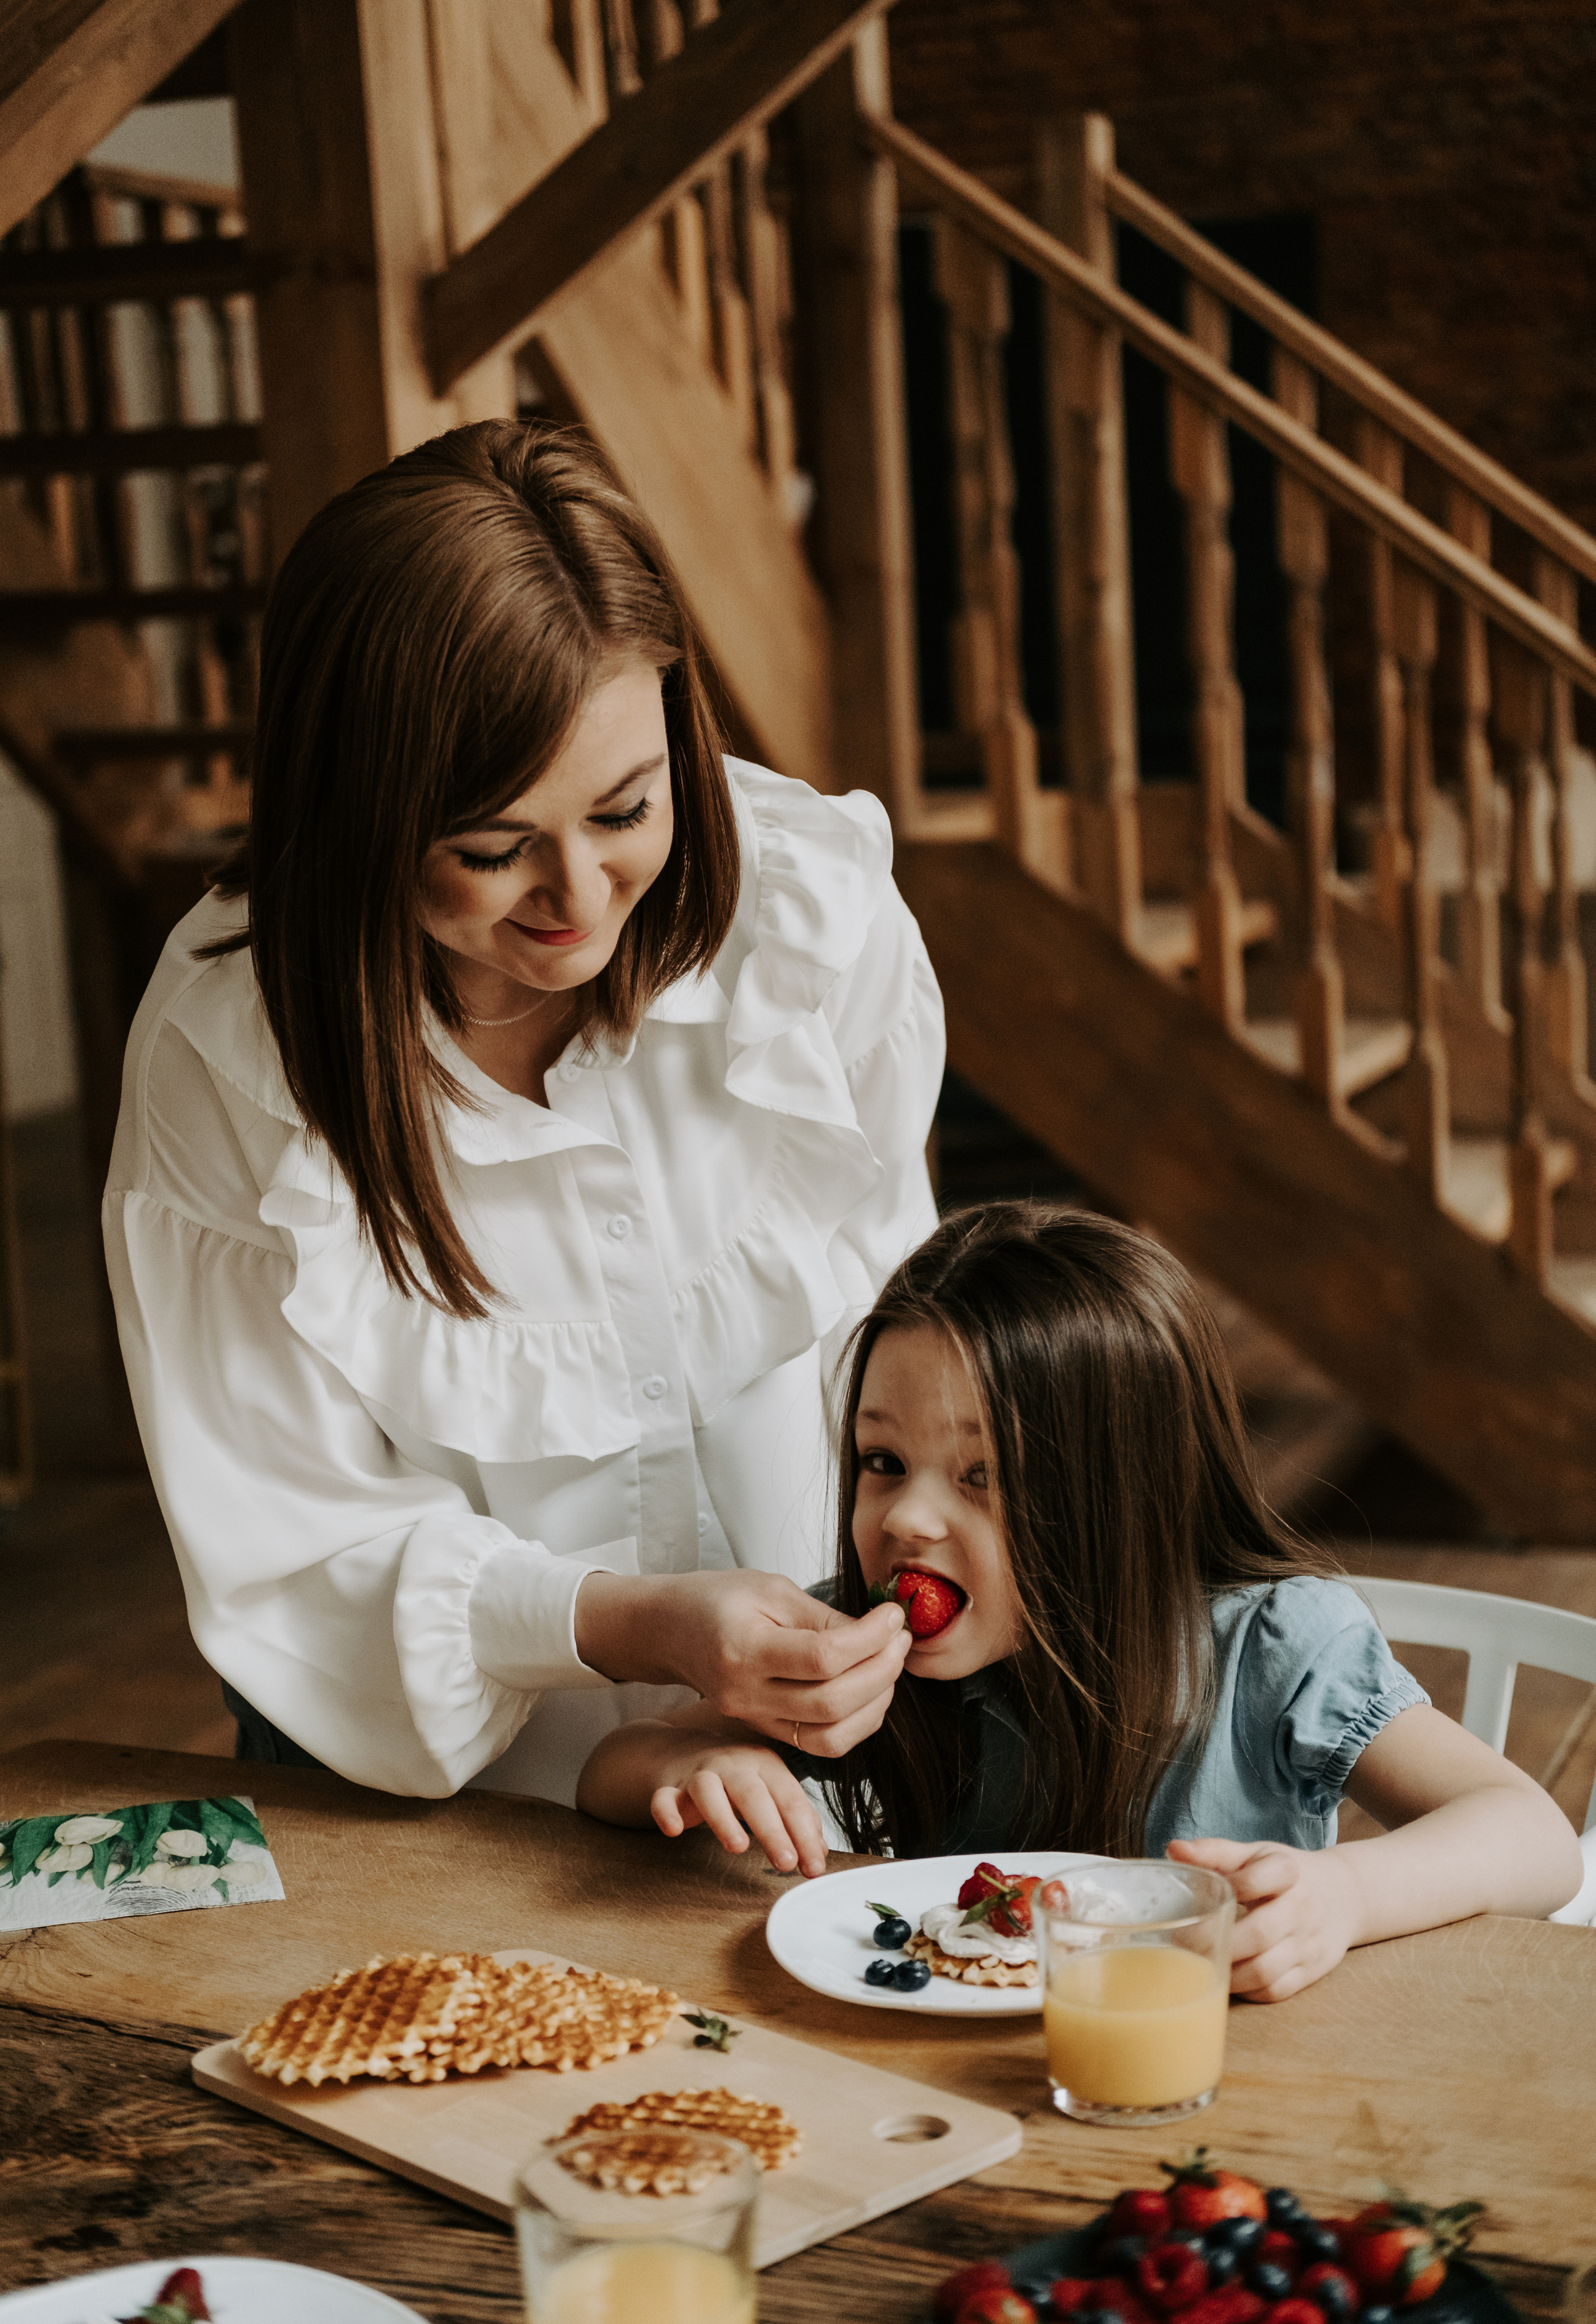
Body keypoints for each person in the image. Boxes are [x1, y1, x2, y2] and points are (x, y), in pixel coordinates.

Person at [104, 420, 938, 1804]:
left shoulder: (808, 917)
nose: (573, 898)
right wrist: (637, 1622)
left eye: (624, 810)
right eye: (489, 848)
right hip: (451, 1813)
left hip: (810, 1765)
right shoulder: (232, 1057)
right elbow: (296, 1546)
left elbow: (899, 1329)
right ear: (356, 818)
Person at [577, 1204, 1584, 1999]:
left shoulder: (1269, 1645)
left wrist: (1344, 1896)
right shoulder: (845, 1639)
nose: (907, 1519)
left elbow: (1531, 1838)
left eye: (984, 1476)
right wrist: (705, 1758)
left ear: (1122, 1499)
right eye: (884, 1461)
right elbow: (612, 1770)